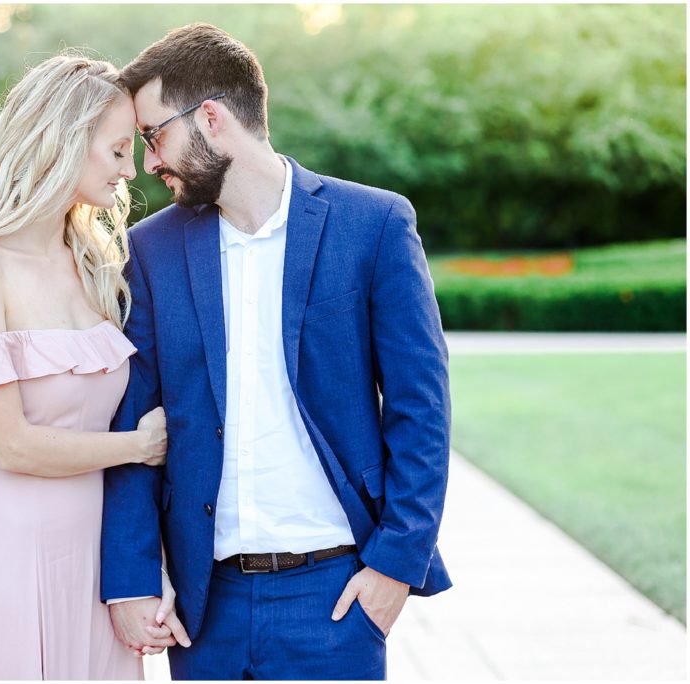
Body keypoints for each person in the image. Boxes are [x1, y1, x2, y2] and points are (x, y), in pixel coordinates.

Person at [101, 24, 452, 680]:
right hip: (204, 610)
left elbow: (421, 409)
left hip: (337, 599)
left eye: (154, 135)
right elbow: (134, 420)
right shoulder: (149, 251)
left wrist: (394, 570)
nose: (149, 162)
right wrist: (132, 579)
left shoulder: (373, 226)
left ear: (210, 117)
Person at [0, 54, 170, 680]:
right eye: (115, 151)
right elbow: (14, 446)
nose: (130, 170)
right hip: (11, 541)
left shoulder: (97, 263)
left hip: (94, 547)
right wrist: (137, 446)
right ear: (62, 143)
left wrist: (145, 563)